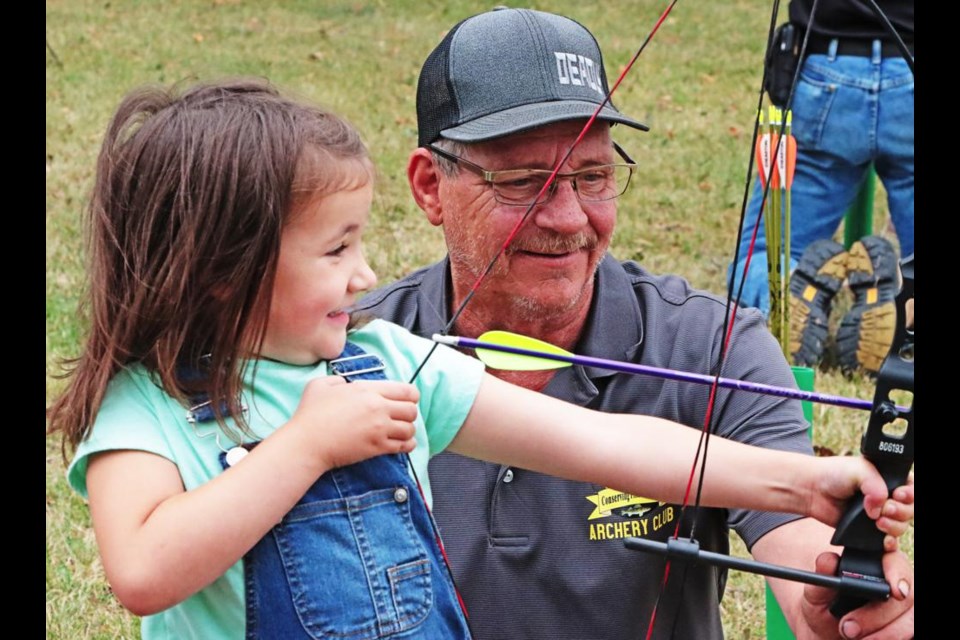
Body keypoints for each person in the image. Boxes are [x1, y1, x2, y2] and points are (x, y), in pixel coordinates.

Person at [44, 78, 912, 640]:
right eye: (337, 250)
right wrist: (305, 447)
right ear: (227, 270)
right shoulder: (146, 409)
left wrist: (798, 485)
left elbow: (609, 446)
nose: (367, 273)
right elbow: (145, 572)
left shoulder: (385, 359)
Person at [357, 7, 915, 640]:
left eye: (592, 175)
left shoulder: (710, 345)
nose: (569, 218)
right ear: (430, 186)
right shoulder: (358, 350)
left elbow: (805, 555)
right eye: (525, 182)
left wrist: (848, 600)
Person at [728, 0, 913, 371]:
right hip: (909, 67)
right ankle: (901, 320)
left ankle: (776, 311)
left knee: (766, 249)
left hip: (828, 69)